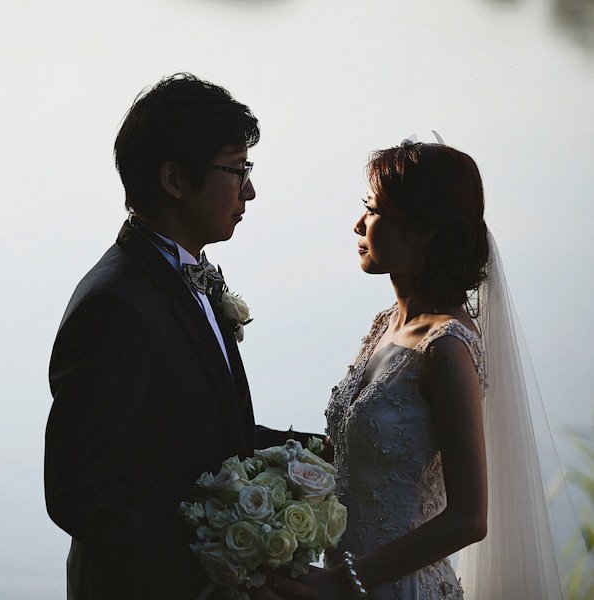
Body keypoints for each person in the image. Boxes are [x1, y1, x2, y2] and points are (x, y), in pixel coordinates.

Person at [44, 73, 317, 600]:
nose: (251, 191)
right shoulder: (116, 304)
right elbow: (81, 493)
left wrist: (323, 456)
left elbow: (207, 436)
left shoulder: (187, 275)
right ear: (173, 179)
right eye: (237, 171)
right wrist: (214, 565)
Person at [298, 139, 570, 599]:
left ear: (422, 230)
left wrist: (340, 582)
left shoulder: (445, 349)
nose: (359, 223)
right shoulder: (386, 325)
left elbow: (468, 518)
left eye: (373, 209)